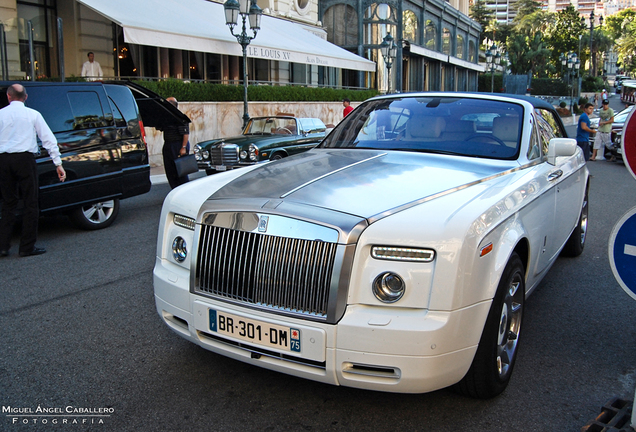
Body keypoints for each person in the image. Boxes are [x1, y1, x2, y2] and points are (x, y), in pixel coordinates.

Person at [0, 84, 66, 258]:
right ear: (26, 97)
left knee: (8, 203)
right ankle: (26, 247)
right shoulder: (33, 115)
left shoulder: (0, 114)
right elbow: (48, 139)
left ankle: (2, 246)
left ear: (8, 96)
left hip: (4, 160)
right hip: (25, 160)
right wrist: (57, 163)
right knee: (31, 203)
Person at [159, 97, 190, 189]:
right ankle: (174, 189)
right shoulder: (167, 118)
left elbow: (185, 133)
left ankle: (184, 190)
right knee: (170, 170)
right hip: (168, 144)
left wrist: (183, 147)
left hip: (178, 145)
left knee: (180, 171)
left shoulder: (180, 117)